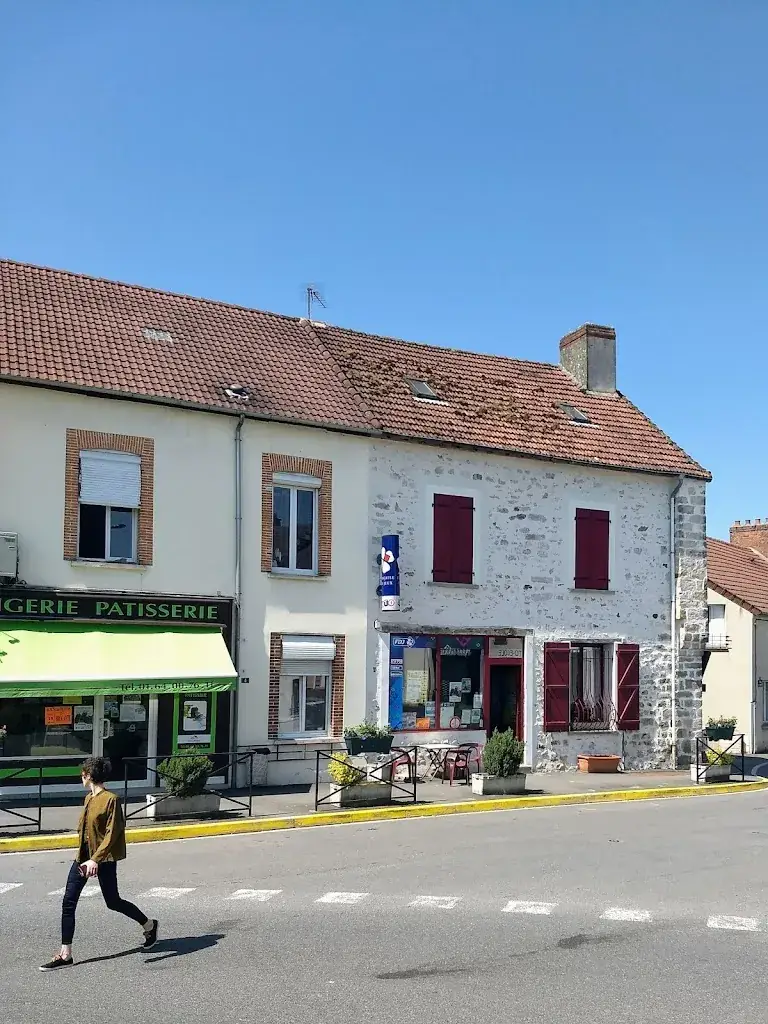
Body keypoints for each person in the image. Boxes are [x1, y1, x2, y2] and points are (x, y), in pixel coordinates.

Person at [40, 756, 158, 971]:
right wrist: (86, 858)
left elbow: (113, 834)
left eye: (83, 774)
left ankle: (149, 925)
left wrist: (96, 859)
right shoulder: (88, 799)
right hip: (82, 859)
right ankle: (65, 954)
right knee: (68, 901)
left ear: (89, 776)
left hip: (103, 859)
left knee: (113, 901)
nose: (81, 777)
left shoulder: (111, 799)